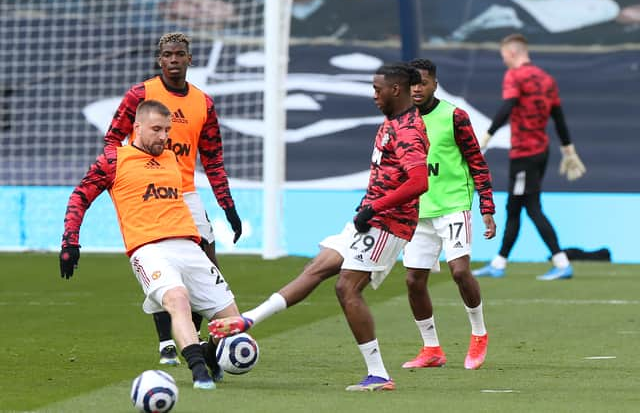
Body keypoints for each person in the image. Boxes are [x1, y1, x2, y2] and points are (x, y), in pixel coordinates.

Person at [209, 63, 429, 391]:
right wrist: (368, 209)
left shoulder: (409, 129)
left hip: (388, 224)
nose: (373, 95)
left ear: (395, 90)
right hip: (369, 218)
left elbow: (419, 181)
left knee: (347, 288)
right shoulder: (392, 122)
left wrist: (374, 207)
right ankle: (249, 319)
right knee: (316, 267)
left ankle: (379, 374)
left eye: (377, 89)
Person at [59, 100, 242, 389]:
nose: (163, 136)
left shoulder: (172, 159)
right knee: (177, 298)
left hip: (189, 247)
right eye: (157, 129)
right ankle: (198, 371)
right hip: (149, 250)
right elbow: (80, 196)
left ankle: (208, 351)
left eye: (167, 130)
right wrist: (70, 242)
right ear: (137, 127)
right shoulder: (114, 160)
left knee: (236, 327)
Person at [104, 32, 242, 365]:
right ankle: (167, 342)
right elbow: (112, 141)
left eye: (180, 54)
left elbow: (213, 158)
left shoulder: (203, 103)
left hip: (186, 193)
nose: (174, 60)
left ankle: (202, 345)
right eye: (168, 54)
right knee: (160, 266)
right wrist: (122, 176)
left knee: (206, 266)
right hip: (147, 192)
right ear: (160, 59)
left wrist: (227, 206)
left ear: (190, 59)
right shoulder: (141, 94)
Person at [400, 58, 496, 371]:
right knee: (414, 280)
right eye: (412, 82)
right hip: (418, 211)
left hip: (453, 205)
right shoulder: (401, 120)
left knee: (459, 271)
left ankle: (479, 334)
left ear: (434, 84)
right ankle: (431, 349)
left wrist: (487, 209)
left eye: (422, 82)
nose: (417, 88)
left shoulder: (454, 116)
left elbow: (477, 162)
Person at [474, 33, 586, 281]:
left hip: (525, 153)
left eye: (503, 55)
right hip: (540, 151)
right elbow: (558, 117)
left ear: (512, 53)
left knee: (530, 207)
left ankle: (561, 261)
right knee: (515, 206)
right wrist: (569, 149)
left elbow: (508, 106)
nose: (504, 61)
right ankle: (499, 263)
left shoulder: (515, 76)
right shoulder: (547, 79)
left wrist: (487, 136)